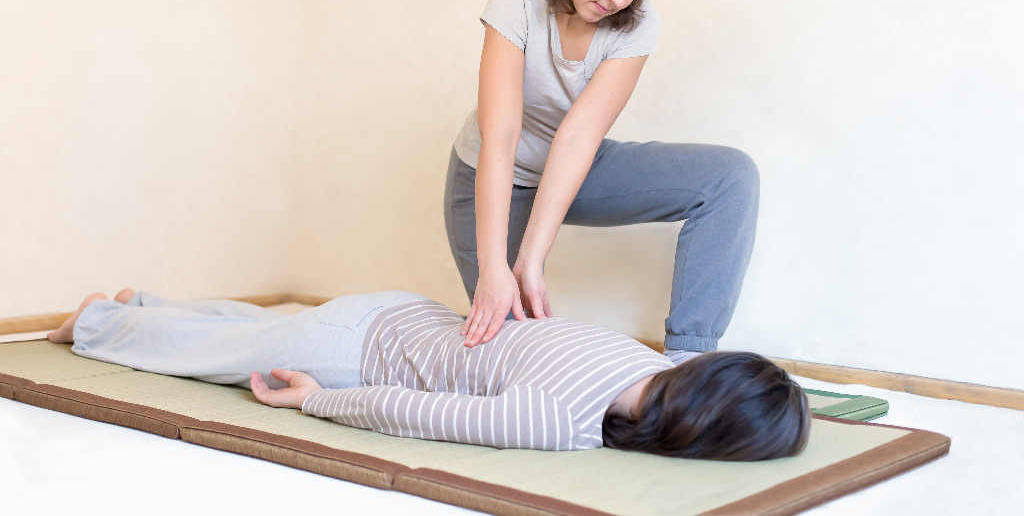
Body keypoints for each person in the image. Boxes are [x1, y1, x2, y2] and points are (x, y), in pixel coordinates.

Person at [445, 0, 761, 359]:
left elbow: (578, 137)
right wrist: (498, 265)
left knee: (730, 176)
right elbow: (501, 134)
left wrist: (531, 259)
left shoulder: (637, 25)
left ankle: (689, 362)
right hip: (490, 179)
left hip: (575, 166)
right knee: (516, 352)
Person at [49, 289, 809, 460]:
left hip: (399, 308)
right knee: (205, 364)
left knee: (252, 329)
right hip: (352, 355)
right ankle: (96, 322)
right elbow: (407, 412)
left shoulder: (647, 357)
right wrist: (319, 403)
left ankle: (143, 302)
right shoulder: (559, 425)